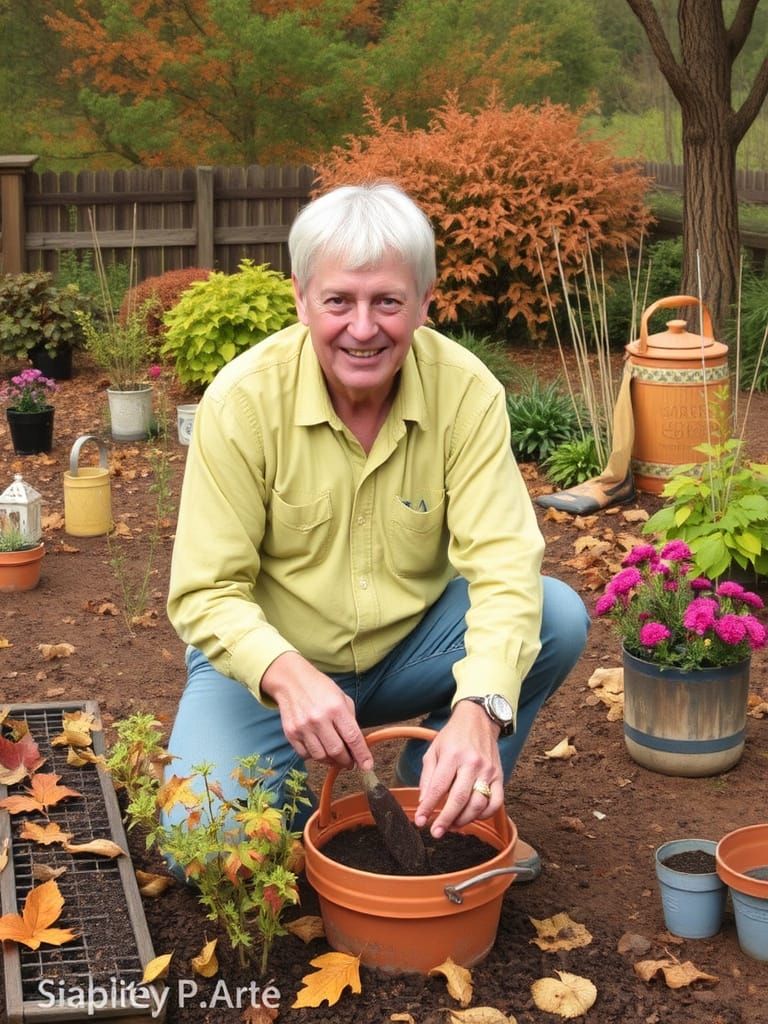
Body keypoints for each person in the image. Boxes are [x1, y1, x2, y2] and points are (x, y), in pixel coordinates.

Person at [165, 182, 589, 871]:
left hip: (411, 649)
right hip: (275, 665)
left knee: (556, 615)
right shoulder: (242, 402)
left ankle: (442, 797)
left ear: (424, 303)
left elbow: (507, 564)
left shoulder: (467, 393)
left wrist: (481, 709)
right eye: (339, 301)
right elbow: (205, 591)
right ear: (302, 298)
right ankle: (313, 814)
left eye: (387, 301)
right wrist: (283, 672)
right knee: (205, 847)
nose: (363, 328)